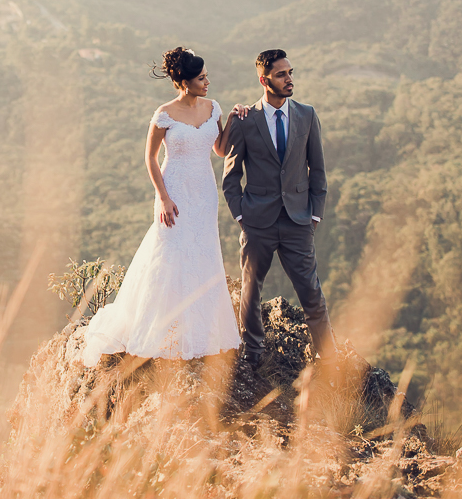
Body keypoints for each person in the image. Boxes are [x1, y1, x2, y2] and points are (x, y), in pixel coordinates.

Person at [77, 47, 242, 366]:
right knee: (170, 253)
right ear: (184, 81)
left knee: (202, 250)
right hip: (174, 187)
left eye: (207, 76)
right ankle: (159, 328)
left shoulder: (213, 108)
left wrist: (233, 119)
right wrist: (164, 197)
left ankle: (199, 329)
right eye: (201, 78)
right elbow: (150, 158)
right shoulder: (164, 114)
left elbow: (220, 150)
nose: (207, 82)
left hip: (204, 190)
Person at [222, 48, 336, 369]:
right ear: (264, 79)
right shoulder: (247, 121)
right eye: (282, 75)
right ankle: (253, 353)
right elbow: (231, 176)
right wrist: (242, 216)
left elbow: (319, 168)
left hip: (299, 221)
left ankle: (329, 358)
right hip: (258, 221)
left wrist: (314, 214)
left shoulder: (307, 115)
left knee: (311, 293)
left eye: (291, 73)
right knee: (251, 289)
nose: (290, 80)